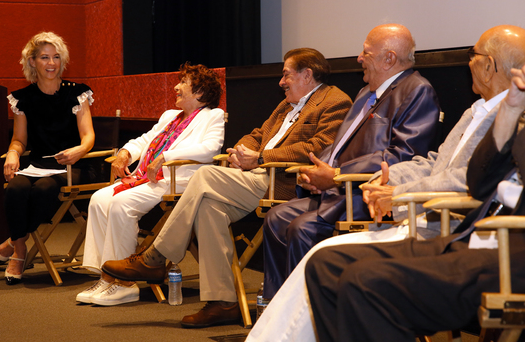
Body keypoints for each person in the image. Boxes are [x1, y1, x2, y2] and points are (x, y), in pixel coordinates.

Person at [246, 24, 525, 342]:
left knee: (323, 254)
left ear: (489, 65)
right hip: (401, 205)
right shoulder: (476, 109)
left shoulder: (491, 110)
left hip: (443, 221)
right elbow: (434, 162)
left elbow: (464, 180)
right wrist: (383, 180)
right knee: (311, 248)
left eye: (471, 55)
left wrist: (389, 190)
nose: (468, 62)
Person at [102, 47, 353, 327]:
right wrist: (241, 150)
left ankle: (154, 257)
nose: (281, 82)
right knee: (209, 208)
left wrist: (259, 158)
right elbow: (259, 134)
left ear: (307, 75)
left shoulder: (335, 102)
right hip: (255, 177)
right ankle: (223, 303)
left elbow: (318, 147)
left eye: (286, 74)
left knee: (205, 176)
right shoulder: (286, 104)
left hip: (282, 182)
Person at [304, 62, 525, 342]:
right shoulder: (507, 115)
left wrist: (396, 193)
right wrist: (510, 110)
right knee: (325, 264)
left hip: (509, 254)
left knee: (365, 281)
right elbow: (479, 183)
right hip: (470, 238)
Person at [261, 24, 440, 300]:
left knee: (301, 227)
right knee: (275, 218)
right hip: (336, 192)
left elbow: (403, 155)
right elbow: (337, 146)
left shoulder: (416, 91)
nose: (358, 58)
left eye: (366, 52)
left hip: (364, 195)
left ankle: (309, 318)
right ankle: (277, 308)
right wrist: (315, 169)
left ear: (388, 59)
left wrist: (336, 174)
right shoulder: (365, 94)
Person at [76, 63, 225, 306]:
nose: (176, 87)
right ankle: (107, 275)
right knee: (99, 199)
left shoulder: (212, 116)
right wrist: (125, 153)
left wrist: (165, 158)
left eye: (183, 83)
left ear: (199, 92)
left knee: (121, 203)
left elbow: (210, 150)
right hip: (148, 178)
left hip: (176, 182)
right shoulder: (169, 116)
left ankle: (125, 282)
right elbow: (145, 140)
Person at [0, 32, 95, 285]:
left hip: (68, 166)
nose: (52, 63)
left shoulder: (77, 93)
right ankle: (20, 249)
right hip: (37, 164)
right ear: (32, 62)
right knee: (15, 188)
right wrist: (14, 153)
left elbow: (88, 136)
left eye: (57, 57)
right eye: (45, 57)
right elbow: (19, 139)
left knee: (44, 191)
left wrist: (79, 151)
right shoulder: (23, 98)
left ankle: (14, 244)